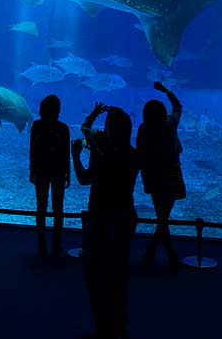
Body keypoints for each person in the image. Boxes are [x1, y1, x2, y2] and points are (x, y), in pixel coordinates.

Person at [72, 102, 139, 339]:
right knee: (120, 271)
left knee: (96, 274)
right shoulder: (132, 154)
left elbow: (83, 179)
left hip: (101, 219)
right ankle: (119, 323)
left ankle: (103, 328)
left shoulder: (103, 155)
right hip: (125, 217)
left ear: (109, 129)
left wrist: (76, 156)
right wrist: (95, 116)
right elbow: (86, 128)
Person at [136, 81, 185, 267]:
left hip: (154, 177)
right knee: (163, 217)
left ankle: (154, 250)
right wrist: (166, 91)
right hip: (172, 176)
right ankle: (167, 253)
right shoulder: (170, 124)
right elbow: (178, 106)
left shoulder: (143, 128)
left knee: (161, 216)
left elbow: (140, 153)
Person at [29, 93, 71, 257]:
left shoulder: (38, 126)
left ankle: (44, 242)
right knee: (56, 208)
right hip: (56, 171)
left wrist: (31, 169)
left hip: (43, 171)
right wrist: (68, 173)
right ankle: (54, 243)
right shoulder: (63, 128)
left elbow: (32, 150)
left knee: (43, 206)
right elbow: (66, 153)